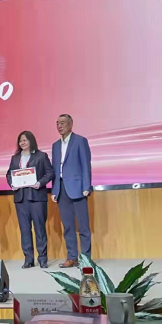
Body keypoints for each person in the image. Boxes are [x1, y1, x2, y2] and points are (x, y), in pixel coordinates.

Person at [6, 131, 54, 269]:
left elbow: (50, 173)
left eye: (25, 140)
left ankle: (43, 258)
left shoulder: (41, 156)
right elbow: (9, 174)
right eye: (20, 141)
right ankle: (28, 259)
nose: (22, 143)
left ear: (31, 141)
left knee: (40, 229)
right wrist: (12, 184)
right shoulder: (15, 158)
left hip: (37, 197)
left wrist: (40, 183)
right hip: (21, 198)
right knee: (25, 230)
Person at [52, 114, 93, 268]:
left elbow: (86, 165)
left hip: (78, 188)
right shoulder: (55, 145)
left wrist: (86, 186)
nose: (59, 126)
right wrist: (54, 189)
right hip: (61, 189)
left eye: (62, 123)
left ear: (71, 124)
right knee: (68, 226)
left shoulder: (80, 141)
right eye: (57, 123)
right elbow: (55, 169)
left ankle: (86, 259)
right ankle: (72, 257)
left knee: (83, 227)